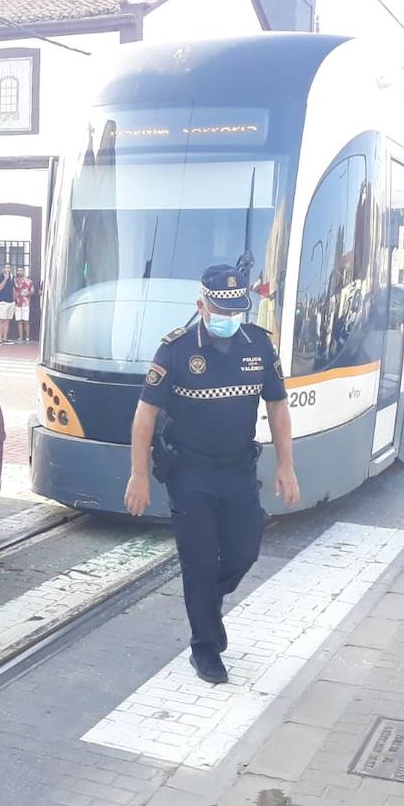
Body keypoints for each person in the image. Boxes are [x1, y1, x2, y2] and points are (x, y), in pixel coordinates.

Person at [123, 263, 301, 685]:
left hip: (239, 470)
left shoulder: (258, 346)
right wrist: (139, 475)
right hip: (191, 475)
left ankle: (206, 600)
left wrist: (287, 466)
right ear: (201, 304)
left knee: (244, 553)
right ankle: (205, 649)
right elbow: (144, 415)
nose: (229, 319)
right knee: (199, 564)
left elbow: (277, 406)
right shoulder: (176, 350)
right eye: (221, 310)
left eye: (236, 310)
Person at [12, 267, 35, 343]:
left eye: (21, 270)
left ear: (24, 272)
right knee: (19, 321)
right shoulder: (15, 281)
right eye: (18, 270)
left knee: (26, 321)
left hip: (25, 303)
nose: (19, 272)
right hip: (17, 303)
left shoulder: (28, 281)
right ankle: (20, 337)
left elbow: (32, 291)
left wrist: (27, 293)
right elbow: (13, 291)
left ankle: (27, 338)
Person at [0, 263, 15, 344]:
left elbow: (13, 288)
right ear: (3, 269)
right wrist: (5, 279)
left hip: (10, 301)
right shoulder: (0, 277)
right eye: (6, 267)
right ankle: (0, 339)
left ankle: (5, 338)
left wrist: (14, 299)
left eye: (9, 268)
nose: (7, 269)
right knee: (1, 320)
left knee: (7, 320)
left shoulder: (12, 277)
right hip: (2, 301)